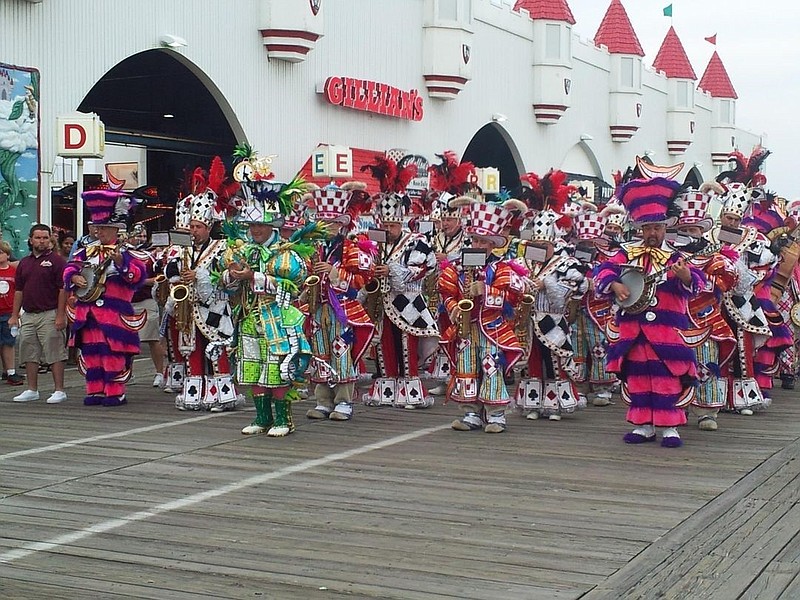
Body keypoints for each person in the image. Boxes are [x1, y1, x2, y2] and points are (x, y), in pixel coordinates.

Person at [594, 177, 705, 448]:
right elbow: (602, 271)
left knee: (666, 378)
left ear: (665, 228)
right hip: (633, 331)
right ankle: (644, 425)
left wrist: (687, 277)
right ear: (640, 229)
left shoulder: (676, 256)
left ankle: (669, 426)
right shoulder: (627, 253)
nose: (652, 232)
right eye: (647, 228)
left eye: (657, 227)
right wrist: (616, 283)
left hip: (667, 331)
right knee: (638, 377)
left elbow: (699, 284)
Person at [223, 155, 320, 436]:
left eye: (259, 226)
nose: (254, 230)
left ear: (272, 227)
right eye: (251, 226)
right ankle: (261, 418)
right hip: (249, 318)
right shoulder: (242, 249)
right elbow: (226, 282)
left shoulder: (286, 252)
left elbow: (295, 284)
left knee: (278, 370)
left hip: (277, 319)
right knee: (253, 369)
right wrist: (232, 275)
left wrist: (254, 276)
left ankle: (282, 420)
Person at [439, 196, 527, 433]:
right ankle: (471, 412)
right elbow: (446, 292)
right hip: (465, 329)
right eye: (475, 239)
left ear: (491, 245)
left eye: (482, 241)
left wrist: (486, 290)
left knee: (491, 367)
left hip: (492, 328)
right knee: (466, 367)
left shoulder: (502, 267)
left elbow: (512, 297)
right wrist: (454, 307)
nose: (477, 244)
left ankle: (496, 415)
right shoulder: (456, 266)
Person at [161, 157, 241, 411]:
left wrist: (200, 276)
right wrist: (177, 272)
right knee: (191, 350)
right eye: (192, 226)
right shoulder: (181, 248)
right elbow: (168, 270)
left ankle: (223, 395)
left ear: (208, 227)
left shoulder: (221, 248)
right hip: (189, 309)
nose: (193, 230)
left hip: (215, 308)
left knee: (216, 350)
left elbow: (227, 277)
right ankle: (193, 393)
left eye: (198, 226)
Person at [361, 156, 439, 409]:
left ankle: (411, 390)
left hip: (409, 304)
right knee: (385, 346)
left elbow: (421, 269)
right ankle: (386, 387)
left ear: (401, 221)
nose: (388, 228)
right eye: (385, 224)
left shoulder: (417, 241)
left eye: (392, 224)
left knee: (408, 345)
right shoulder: (375, 243)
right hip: (382, 304)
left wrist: (391, 269)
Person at [63, 189, 147, 406]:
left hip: (114, 314)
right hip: (87, 313)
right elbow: (69, 268)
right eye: (96, 227)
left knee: (113, 353)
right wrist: (74, 278)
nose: (98, 231)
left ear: (115, 229)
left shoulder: (127, 251)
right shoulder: (85, 251)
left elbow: (137, 277)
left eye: (102, 227)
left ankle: (115, 391)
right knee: (92, 353)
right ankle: (94, 390)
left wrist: (120, 263)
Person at [302, 182, 377, 422]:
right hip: (317, 307)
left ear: (341, 224)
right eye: (323, 224)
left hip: (342, 309)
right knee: (320, 353)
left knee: (341, 351)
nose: (326, 229)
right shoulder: (312, 248)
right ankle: (323, 399)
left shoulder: (350, 248)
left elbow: (365, 277)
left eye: (331, 224)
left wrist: (336, 275)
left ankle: (344, 401)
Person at [674, 189, 738, 431]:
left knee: (706, 363)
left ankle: (706, 411)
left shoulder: (713, 255)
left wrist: (694, 280)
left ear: (702, 231)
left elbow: (728, 278)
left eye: (693, 230)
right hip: (674, 318)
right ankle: (675, 406)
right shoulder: (668, 254)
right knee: (674, 362)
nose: (689, 234)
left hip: (705, 317)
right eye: (685, 230)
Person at [9, 224, 68, 403]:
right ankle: (32, 389)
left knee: (54, 351)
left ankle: (59, 390)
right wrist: (14, 315)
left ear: (50, 239)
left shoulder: (57, 261)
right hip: (28, 313)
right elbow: (18, 289)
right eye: (38, 237)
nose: (41, 241)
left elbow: (63, 289)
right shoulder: (24, 262)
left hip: (49, 312)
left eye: (45, 237)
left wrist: (60, 315)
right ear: (31, 240)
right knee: (28, 351)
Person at [126, 223, 167, 388]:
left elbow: (160, 277)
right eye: (137, 235)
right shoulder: (122, 255)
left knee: (152, 338)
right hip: (127, 303)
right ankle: (127, 373)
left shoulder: (150, 257)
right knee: (127, 340)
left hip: (146, 300)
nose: (139, 239)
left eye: (143, 236)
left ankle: (159, 373)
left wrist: (141, 281)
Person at [0, 240, 23, 385]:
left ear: (8, 255)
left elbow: (19, 291)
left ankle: (11, 372)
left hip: (8, 312)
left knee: (9, 342)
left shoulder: (13, 271)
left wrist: (18, 311)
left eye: (1, 253)